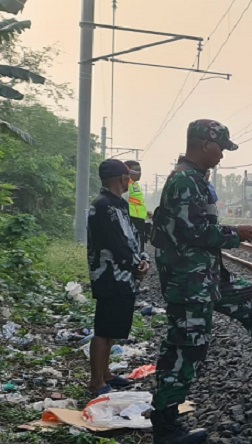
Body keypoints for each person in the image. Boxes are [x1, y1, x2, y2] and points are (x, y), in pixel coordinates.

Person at [150, 120, 252, 444]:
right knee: (187, 344)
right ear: (205, 144)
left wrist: (231, 235)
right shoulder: (183, 181)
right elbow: (194, 232)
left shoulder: (195, 179)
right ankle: (165, 424)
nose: (222, 154)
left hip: (208, 277)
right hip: (188, 280)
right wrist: (236, 234)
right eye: (221, 147)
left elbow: (197, 226)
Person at [87, 159, 150, 396]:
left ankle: (106, 375)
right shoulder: (103, 206)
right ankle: (96, 382)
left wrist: (142, 260)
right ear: (120, 179)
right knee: (103, 328)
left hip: (123, 276)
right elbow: (116, 243)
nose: (130, 180)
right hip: (109, 276)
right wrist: (137, 264)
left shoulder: (118, 204)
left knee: (112, 328)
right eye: (127, 177)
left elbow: (132, 237)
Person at [123, 161, 150, 251]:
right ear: (128, 171)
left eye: (140, 170)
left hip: (138, 221)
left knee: (139, 247)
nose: (139, 173)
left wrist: (146, 213)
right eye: (136, 170)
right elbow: (123, 203)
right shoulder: (126, 185)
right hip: (131, 220)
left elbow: (136, 204)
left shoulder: (135, 185)